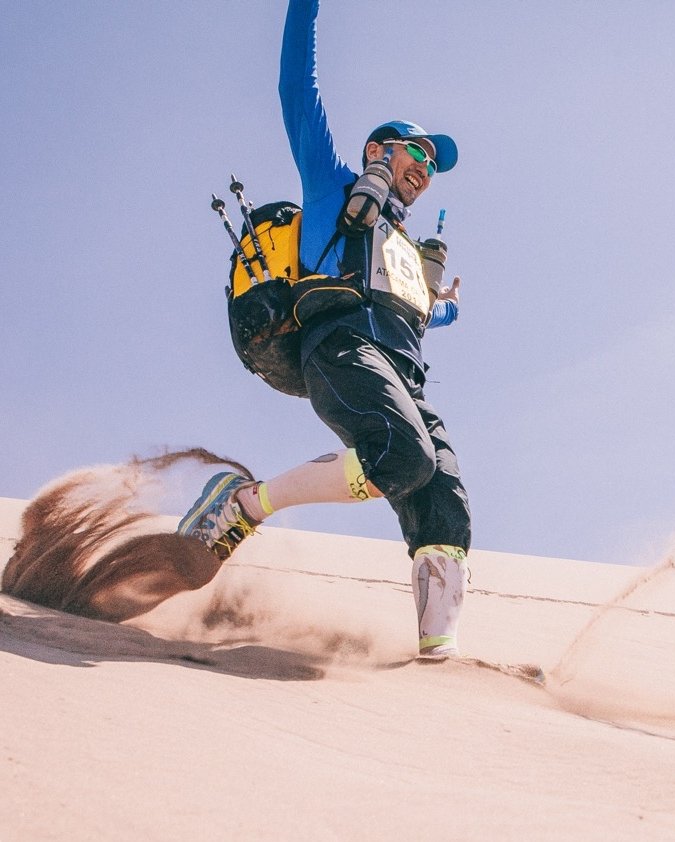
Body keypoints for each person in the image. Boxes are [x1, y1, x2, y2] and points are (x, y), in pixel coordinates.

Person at [179, 0, 471, 657]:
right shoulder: (332, 185)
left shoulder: (403, 249)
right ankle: (245, 506)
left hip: (403, 373)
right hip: (340, 345)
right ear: (377, 151)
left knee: (444, 499)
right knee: (401, 458)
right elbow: (294, 87)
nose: (424, 166)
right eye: (414, 152)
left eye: (432, 162)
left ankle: (438, 656)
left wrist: (445, 303)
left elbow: (422, 315)